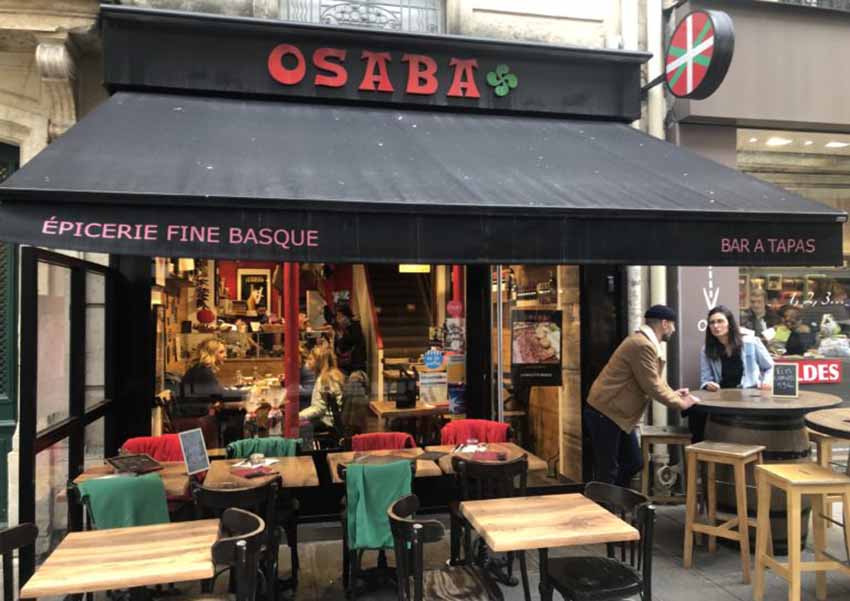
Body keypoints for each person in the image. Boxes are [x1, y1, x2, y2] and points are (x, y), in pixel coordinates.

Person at [585, 305, 699, 487]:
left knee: (633, 463)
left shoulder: (645, 343)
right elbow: (652, 385)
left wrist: (674, 394)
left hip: (617, 415)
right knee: (608, 470)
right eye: (673, 325)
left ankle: (617, 503)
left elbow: (654, 381)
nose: (674, 330)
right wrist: (682, 404)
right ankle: (605, 511)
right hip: (606, 412)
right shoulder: (642, 345)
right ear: (664, 324)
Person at [693, 305, 774, 441]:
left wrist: (766, 382)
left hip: (749, 396)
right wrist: (709, 384)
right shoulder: (707, 349)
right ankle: (701, 454)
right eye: (712, 322)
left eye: (720, 321)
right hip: (722, 398)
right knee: (695, 413)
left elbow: (770, 367)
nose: (716, 326)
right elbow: (706, 379)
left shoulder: (750, 342)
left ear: (729, 323)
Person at [299, 345, 345, 431]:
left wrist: (298, 416)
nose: (308, 362)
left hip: (326, 421)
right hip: (335, 420)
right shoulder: (335, 374)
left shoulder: (324, 380)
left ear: (319, 362)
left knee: (297, 426)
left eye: (310, 359)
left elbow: (319, 408)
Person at [334, 304, 367, 375]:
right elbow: (339, 345)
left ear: (347, 316)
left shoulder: (355, 326)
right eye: (338, 316)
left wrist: (342, 336)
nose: (338, 318)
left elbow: (355, 339)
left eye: (340, 316)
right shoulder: (341, 328)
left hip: (356, 362)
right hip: (345, 362)